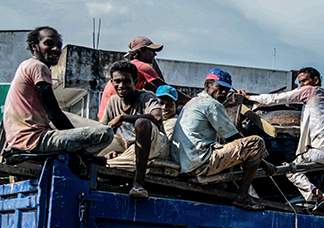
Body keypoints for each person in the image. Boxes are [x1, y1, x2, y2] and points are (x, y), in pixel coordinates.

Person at [237, 67, 324, 202]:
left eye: (304, 81)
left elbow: (277, 98)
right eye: (299, 82)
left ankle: (316, 193)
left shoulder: (309, 91)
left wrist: (250, 97)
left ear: (316, 80)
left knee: (291, 171)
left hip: (319, 152)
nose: (301, 85)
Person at [2, 26, 112, 156]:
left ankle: (79, 157)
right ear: (34, 46)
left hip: (22, 139)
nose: (56, 49)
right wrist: (76, 142)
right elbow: (54, 113)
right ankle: (80, 157)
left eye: (59, 45)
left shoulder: (25, 65)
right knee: (105, 133)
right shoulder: (38, 66)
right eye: (48, 43)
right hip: (34, 140)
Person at [170, 68, 267, 210]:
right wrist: (264, 163)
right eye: (220, 88)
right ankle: (243, 197)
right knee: (256, 143)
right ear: (208, 85)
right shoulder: (212, 104)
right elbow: (233, 137)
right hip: (199, 163)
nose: (224, 93)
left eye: (226, 90)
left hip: (185, 163)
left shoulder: (193, 102)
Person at [100, 61, 169, 199]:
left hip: (156, 146)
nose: (121, 86)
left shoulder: (146, 96)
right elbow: (104, 129)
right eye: (117, 81)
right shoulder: (113, 101)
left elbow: (156, 117)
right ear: (112, 82)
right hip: (132, 149)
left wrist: (124, 118)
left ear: (135, 81)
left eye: (126, 81)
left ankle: (138, 184)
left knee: (141, 122)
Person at [97, 36, 166, 121]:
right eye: (151, 51)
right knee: (142, 122)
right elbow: (165, 89)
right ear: (141, 51)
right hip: (113, 116)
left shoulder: (130, 70)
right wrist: (186, 102)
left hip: (103, 114)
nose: (154, 54)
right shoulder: (142, 67)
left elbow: (157, 90)